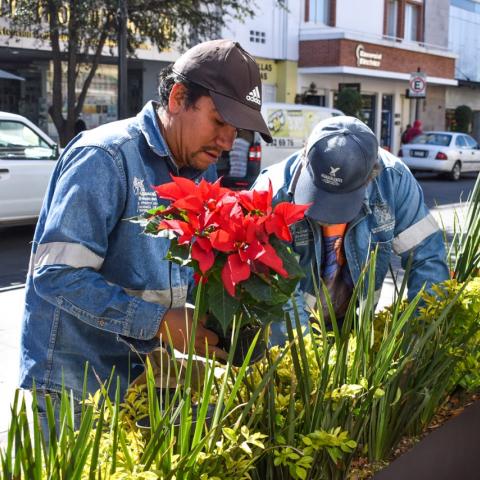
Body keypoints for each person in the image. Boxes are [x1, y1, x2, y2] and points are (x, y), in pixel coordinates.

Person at [19, 39, 273, 422]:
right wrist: (159, 323)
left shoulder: (199, 169)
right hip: (73, 391)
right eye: (219, 121)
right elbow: (56, 276)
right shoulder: (105, 157)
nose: (227, 142)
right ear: (178, 97)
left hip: (144, 383)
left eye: (236, 129)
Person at [252, 116, 449, 345]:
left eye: (339, 203)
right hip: (294, 331)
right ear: (306, 157)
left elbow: (427, 259)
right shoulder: (273, 193)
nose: (327, 215)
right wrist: (305, 364)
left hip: (352, 324)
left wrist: (419, 345)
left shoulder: (393, 180)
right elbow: (277, 294)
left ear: (370, 178)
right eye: (320, 194)